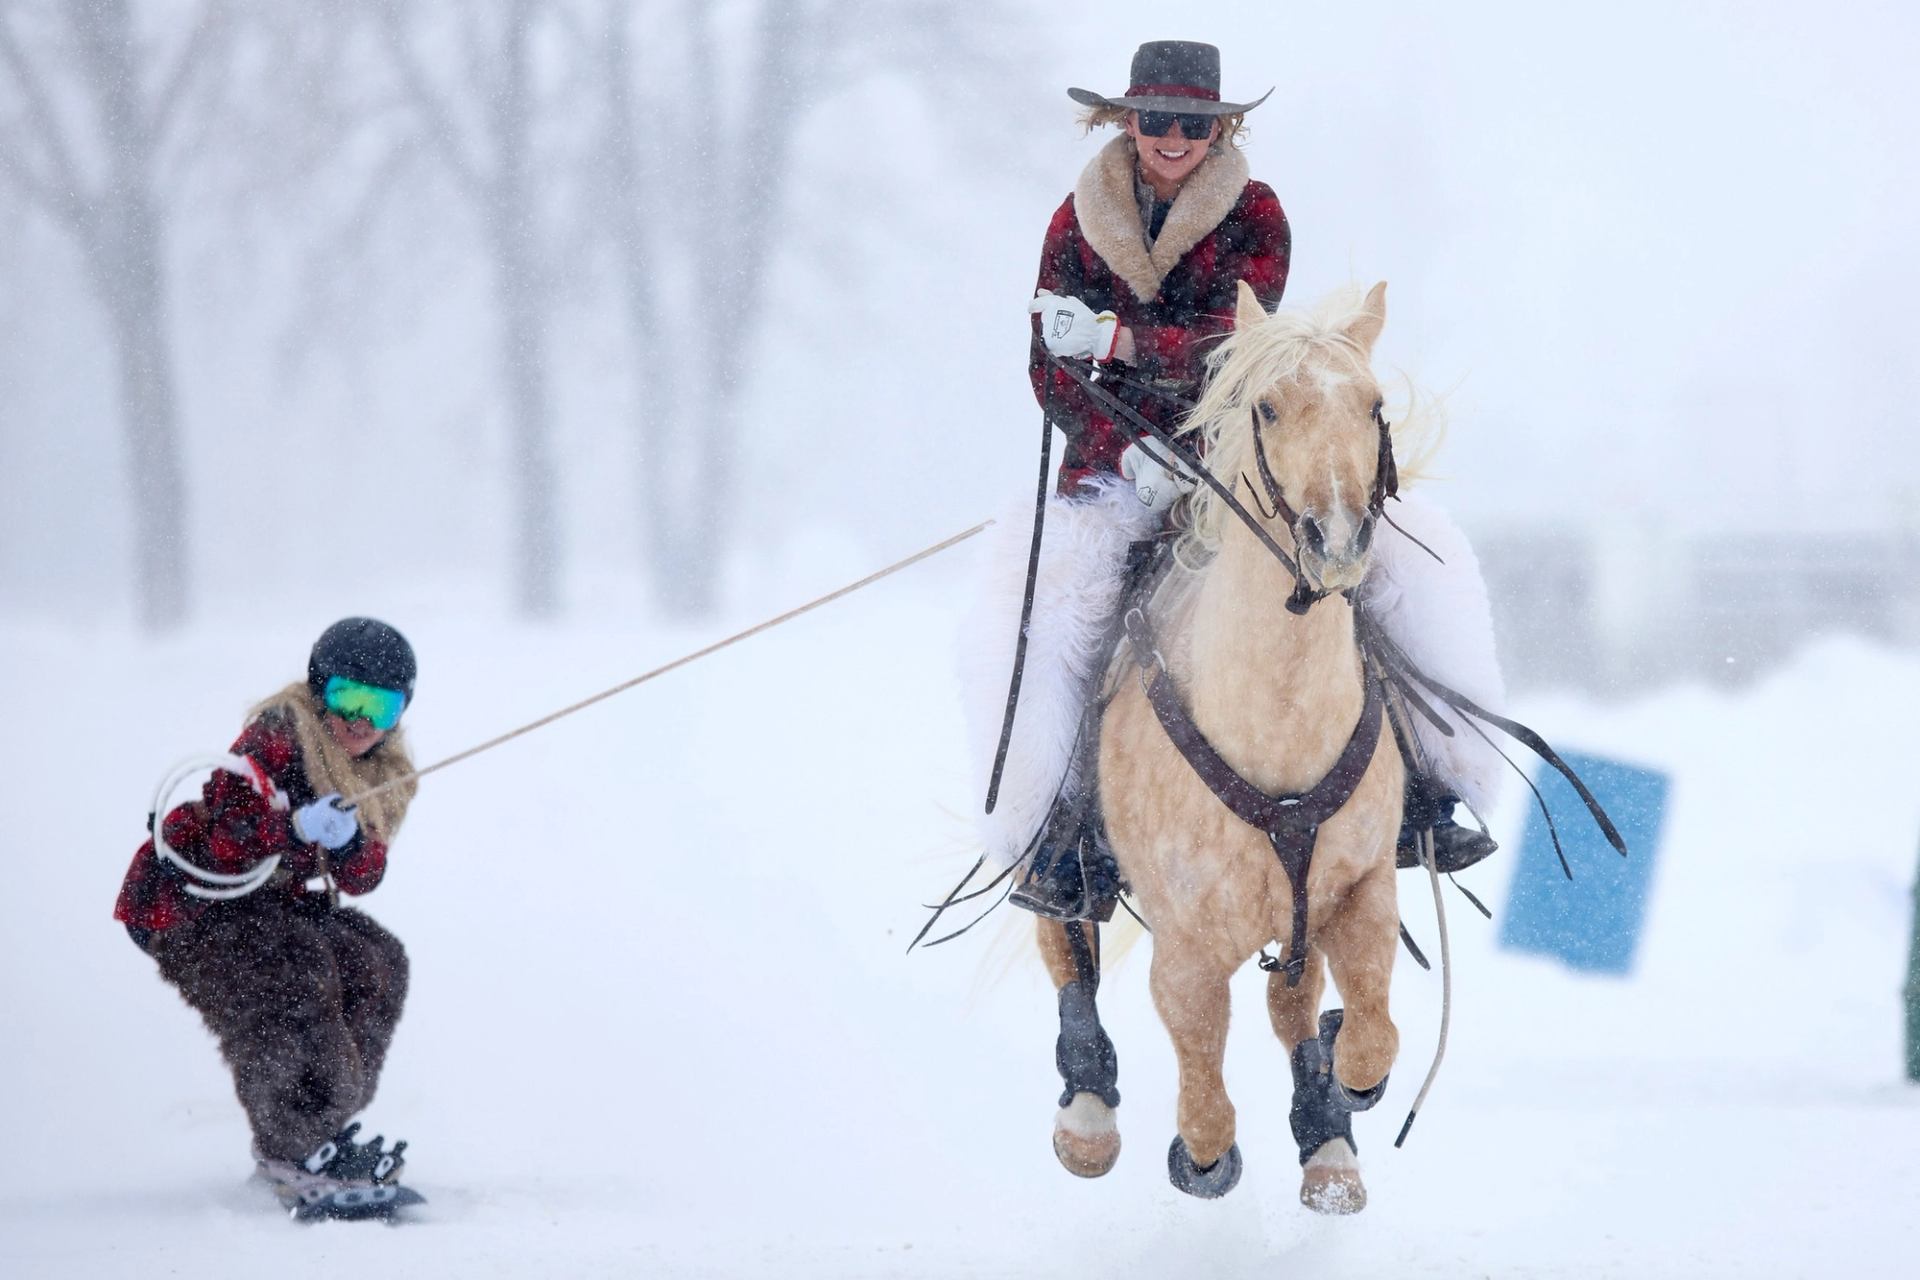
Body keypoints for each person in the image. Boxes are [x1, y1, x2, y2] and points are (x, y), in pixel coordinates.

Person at [971, 41, 1499, 921]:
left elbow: (1238, 342)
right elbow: (1047, 365)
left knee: (1395, 569)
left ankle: (1426, 792)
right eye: (1156, 121)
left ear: (1219, 131)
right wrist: (1116, 445)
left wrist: (1125, 346)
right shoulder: (1074, 221)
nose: (1172, 139)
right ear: (1125, 122)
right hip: (1110, 470)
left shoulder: (1255, 215)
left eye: (1193, 125)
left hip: (1240, 456)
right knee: (1054, 621)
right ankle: (1060, 832)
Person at [114, 617, 423, 1211]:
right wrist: (295, 826)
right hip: (188, 902)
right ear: (317, 689)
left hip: (268, 901)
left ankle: (319, 1125)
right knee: (291, 971)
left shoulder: (380, 773)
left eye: (379, 707)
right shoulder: (278, 738)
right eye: (346, 697)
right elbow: (225, 836)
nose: (360, 720)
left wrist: (349, 843)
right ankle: (294, 1145)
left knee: (374, 959)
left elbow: (365, 876)